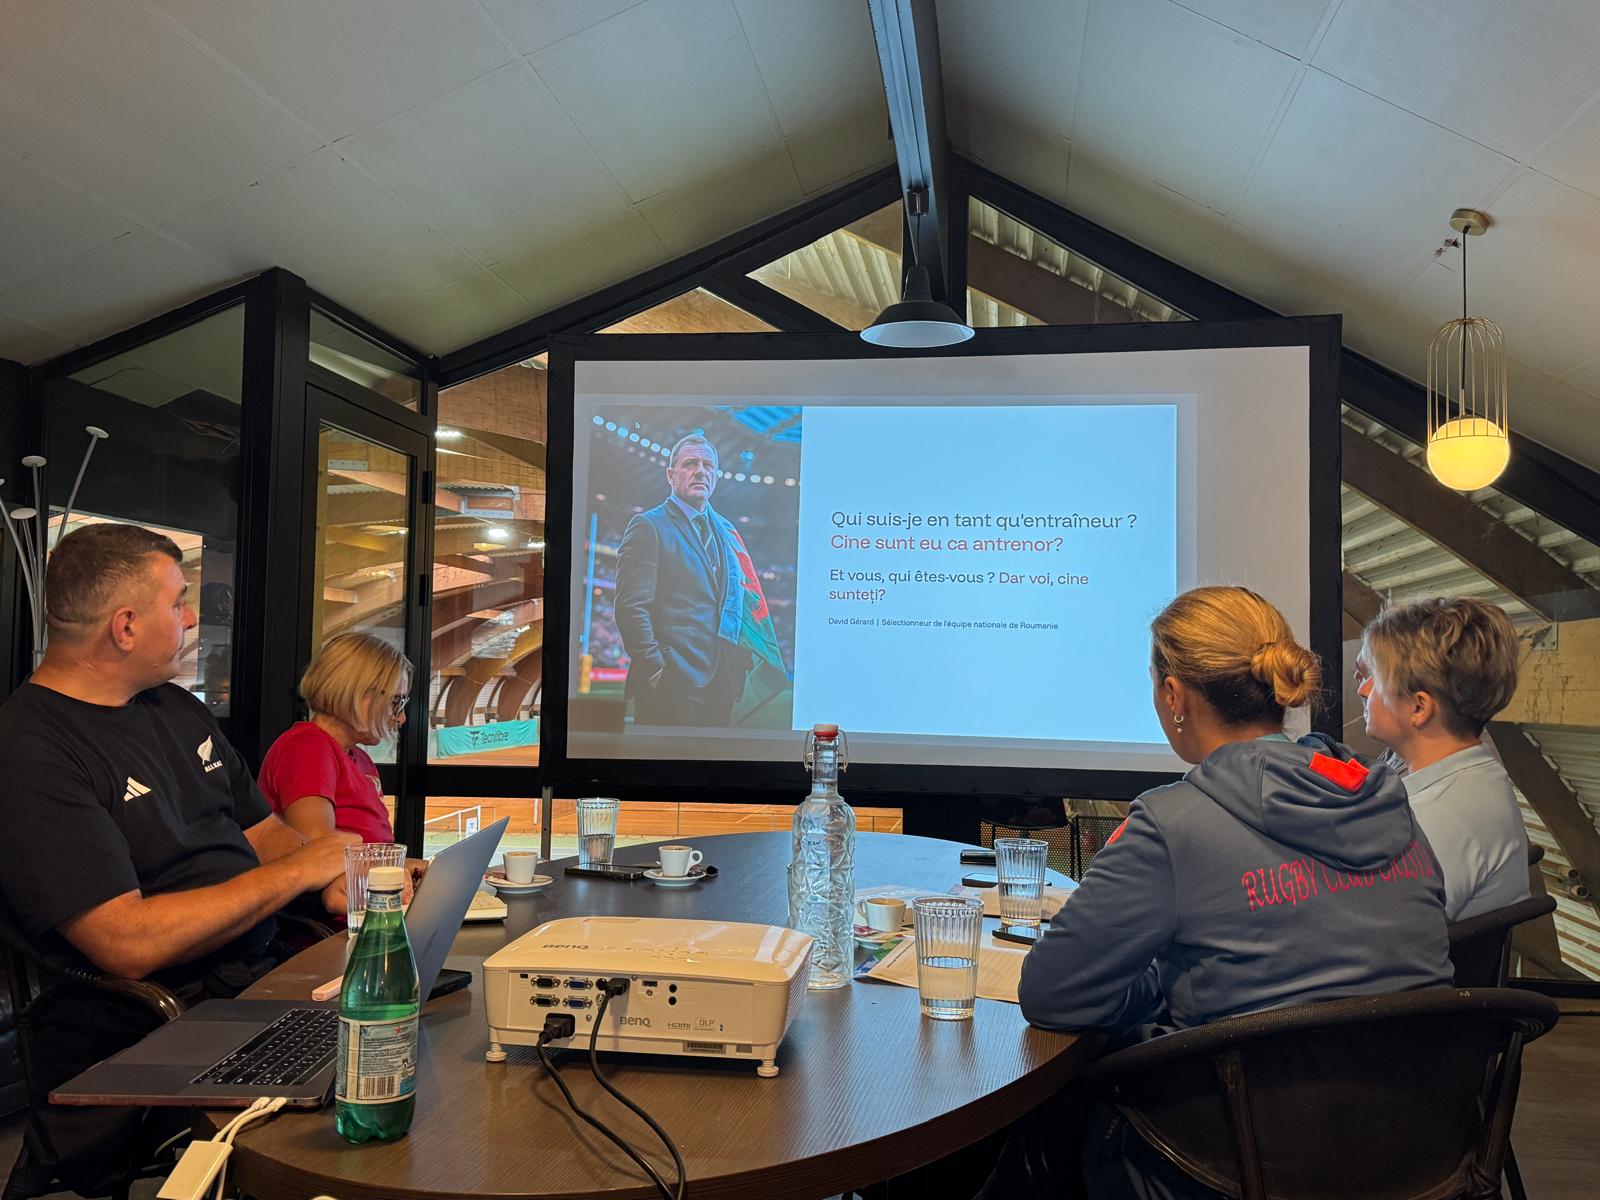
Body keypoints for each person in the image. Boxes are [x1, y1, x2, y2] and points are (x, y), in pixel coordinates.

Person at [1009, 586, 1453, 1200]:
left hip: (1232, 1167)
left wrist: (1156, 985)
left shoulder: (1172, 824)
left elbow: (1052, 993)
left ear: (1174, 695)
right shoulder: (1384, 801)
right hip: (1415, 1150)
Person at [0, 523, 354, 1194]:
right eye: (178, 601)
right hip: (150, 1025)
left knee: (403, 1046)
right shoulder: (31, 752)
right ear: (126, 627)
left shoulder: (175, 708)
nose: (192, 618)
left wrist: (343, 875)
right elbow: (126, 943)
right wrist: (297, 874)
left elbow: (265, 835)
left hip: (251, 985)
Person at [1356, 597, 1528, 922]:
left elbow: (1366, 931)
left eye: (1376, 678)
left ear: (1419, 708)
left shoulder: (1435, 820)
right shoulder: (1475, 775)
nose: (1364, 691)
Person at [258, 631, 425, 915]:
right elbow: (319, 853)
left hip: (365, 907)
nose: (401, 717)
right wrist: (391, 868)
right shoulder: (309, 747)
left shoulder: (358, 757)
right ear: (359, 695)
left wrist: (399, 867)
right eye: (396, 702)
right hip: (332, 925)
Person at [613, 432, 753, 726]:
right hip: (671, 684)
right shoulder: (649, 526)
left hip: (722, 683)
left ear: (715, 477)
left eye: (708, 466)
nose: (700, 471)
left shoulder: (726, 532)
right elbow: (631, 607)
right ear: (671, 475)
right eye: (690, 463)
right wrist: (656, 669)